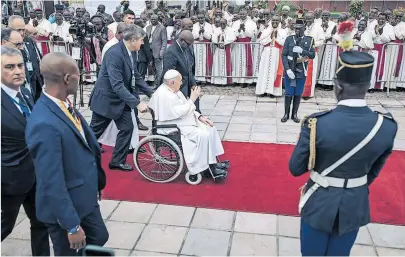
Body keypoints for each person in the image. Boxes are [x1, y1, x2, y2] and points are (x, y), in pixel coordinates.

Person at [289, 50, 397, 256]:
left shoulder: (317, 123)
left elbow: (295, 168)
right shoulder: (386, 126)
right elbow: (373, 172)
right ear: (367, 86)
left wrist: (321, 178)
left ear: (337, 86)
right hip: (354, 203)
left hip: (320, 201)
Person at [26, 52, 108, 256]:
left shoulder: (63, 104)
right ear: (67, 79)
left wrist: (95, 182)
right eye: (78, 74)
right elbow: (50, 180)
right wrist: (71, 226)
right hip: (65, 210)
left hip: (83, 195)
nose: (80, 76)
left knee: (99, 237)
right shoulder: (44, 123)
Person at [1, 46, 50, 256]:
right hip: (10, 179)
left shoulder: (26, 91)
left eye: (20, 65)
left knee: (42, 222)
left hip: (35, 174)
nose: (18, 71)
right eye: (9, 67)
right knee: (5, 226)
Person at [89, 24, 152, 172]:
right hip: (106, 100)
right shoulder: (114, 54)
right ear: (131, 40)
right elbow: (116, 85)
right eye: (141, 40)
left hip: (121, 99)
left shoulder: (132, 52)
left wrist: (151, 92)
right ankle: (78, 159)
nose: (142, 43)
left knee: (127, 128)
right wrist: (137, 104)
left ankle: (117, 161)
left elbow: (136, 75)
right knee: (93, 134)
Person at [148, 70, 229, 180]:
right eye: (180, 81)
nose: (181, 83)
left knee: (210, 127)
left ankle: (212, 162)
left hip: (181, 122)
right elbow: (179, 112)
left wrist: (200, 117)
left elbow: (186, 107)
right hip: (170, 126)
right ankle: (203, 168)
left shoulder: (174, 90)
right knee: (202, 135)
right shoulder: (163, 95)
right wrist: (192, 99)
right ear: (172, 82)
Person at [281, 19, 315, 123]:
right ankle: (286, 114)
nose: (296, 31)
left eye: (299, 29)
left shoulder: (309, 40)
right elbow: (284, 55)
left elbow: (312, 55)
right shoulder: (289, 39)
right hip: (290, 69)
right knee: (288, 92)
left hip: (301, 69)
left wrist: (303, 51)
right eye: (295, 29)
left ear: (304, 29)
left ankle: (294, 114)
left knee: (298, 92)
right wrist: (287, 69)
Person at [161, 30, 200, 112]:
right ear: (181, 40)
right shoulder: (171, 52)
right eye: (188, 44)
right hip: (178, 87)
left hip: (188, 82)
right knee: (181, 110)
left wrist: (193, 84)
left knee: (195, 106)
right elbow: (169, 74)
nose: (189, 46)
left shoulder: (185, 48)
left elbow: (188, 68)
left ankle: (198, 117)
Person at [8, 15, 43, 101]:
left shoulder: (29, 40)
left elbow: (38, 58)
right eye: (18, 30)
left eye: (23, 29)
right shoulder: (7, 45)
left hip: (36, 82)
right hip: (21, 85)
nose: (21, 33)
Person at [255, 15, 288, 97]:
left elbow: (284, 42)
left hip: (277, 53)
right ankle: (263, 91)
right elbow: (261, 41)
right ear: (271, 21)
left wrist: (276, 37)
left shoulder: (283, 31)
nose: (275, 22)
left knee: (274, 71)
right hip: (266, 53)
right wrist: (270, 38)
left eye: (277, 21)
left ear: (279, 22)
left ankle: (273, 92)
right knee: (264, 71)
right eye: (273, 20)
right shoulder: (266, 30)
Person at [211, 18, 236, 85]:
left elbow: (233, 38)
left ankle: (225, 81)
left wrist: (224, 41)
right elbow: (213, 39)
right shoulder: (216, 30)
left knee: (225, 64)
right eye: (221, 23)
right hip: (218, 50)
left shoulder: (229, 29)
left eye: (224, 23)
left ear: (226, 23)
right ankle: (217, 81)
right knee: (217, 65)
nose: (222, 25)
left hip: (226, 49)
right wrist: (218, 41)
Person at [145, 14, 167, 88]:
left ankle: (161, 84)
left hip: (157, 51)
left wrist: (162, 52)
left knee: (159, 69)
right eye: (151, 19)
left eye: (154, 19)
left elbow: (164, 41)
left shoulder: (162, 28)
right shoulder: (148, 27)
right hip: (149, 51)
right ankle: (156, 83)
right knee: (153, 68)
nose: (153, 21)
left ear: (158, 20)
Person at [192, 13, 213, 83]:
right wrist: (198, 32)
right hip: (197, 45)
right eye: (199, 18)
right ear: (197, 18)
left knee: (205, 61)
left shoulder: (209, 25)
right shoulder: (194, 25)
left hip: (205, 45)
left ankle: (204, 79)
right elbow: (193, 36)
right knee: (197, 62)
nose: (201, 19)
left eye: (202, 18)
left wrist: (204, 32)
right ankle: (198, 79)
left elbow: (210, 37)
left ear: (204, 18)